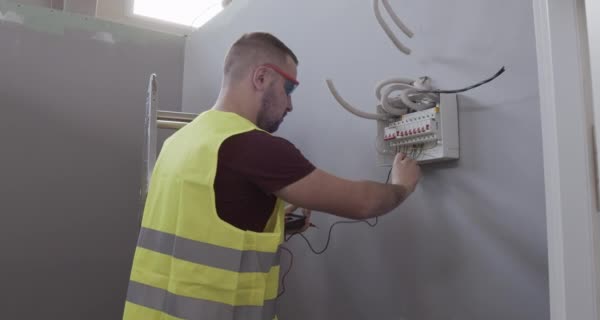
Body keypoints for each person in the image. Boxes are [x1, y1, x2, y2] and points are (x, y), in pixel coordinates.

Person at [123, 32, 421, 320]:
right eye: (289, 89)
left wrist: (276, 219)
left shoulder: (179, 142)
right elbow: (363, 203)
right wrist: (401, 185)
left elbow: (200, 221)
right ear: (261, 77)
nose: (290, 104)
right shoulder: (252, 146)